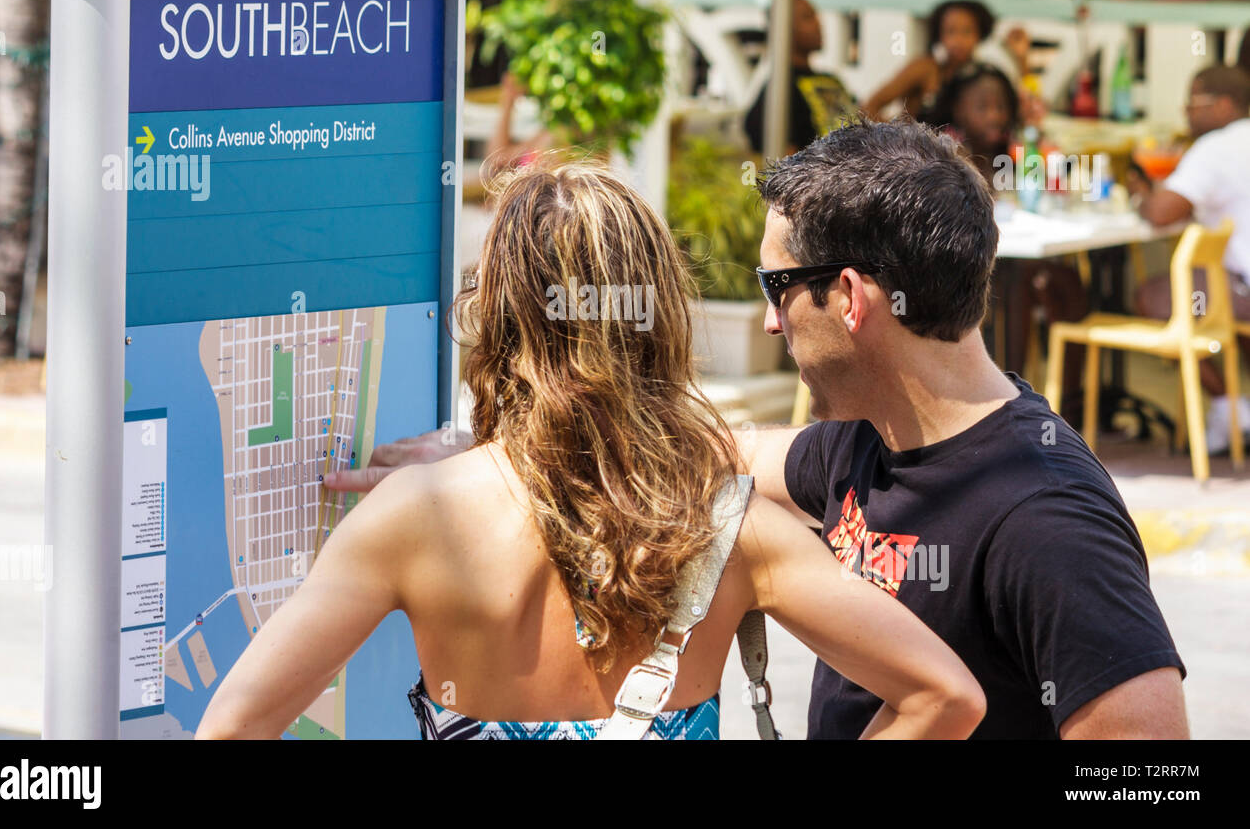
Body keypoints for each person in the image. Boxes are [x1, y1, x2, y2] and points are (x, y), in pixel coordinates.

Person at [333, 120, 1190, 740]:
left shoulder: (1043, 514)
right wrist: (498, 460)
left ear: (849, 299)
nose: (771, 324)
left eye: (776, 287)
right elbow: (692, 446)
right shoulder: (871, 444)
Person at [198, 158, 986, 740]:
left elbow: (231, 728)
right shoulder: (732, 527)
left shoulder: (414, 518)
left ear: (501, 314)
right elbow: (946, 695)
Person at [926, 63, 1090, 420]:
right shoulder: (950, 150)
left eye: (1001, 106)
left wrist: (1035, 133)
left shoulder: (1014, 148)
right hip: (956, 270)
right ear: (958, 110)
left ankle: (1070, 399)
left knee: (1064, 282)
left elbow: (1057, 172)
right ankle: (1010, 397)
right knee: (1019, 283)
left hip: (1011, 254)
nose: (995, 115)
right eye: (983, 107)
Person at [1129, 64, 1250, 453]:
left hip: (1241, 289)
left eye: (1194, 102)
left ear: (1225, 105)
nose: (1187, 113)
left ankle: (1229, 405)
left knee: (1150, 297)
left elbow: (1162, 212)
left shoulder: (1218, 147)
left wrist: (1138, 194)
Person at [861, 0, 1028, 122]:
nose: (958, 41)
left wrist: (1021, 58)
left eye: (967, 31)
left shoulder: (982, 76)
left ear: (979, 35)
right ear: (940, 36)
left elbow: (1016, 112)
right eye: (951, 32)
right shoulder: (924, 69)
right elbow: (869, 107)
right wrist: (898, 139)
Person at [744, 0, 857, 155]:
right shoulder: (780, 89)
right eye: (808, 17)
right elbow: (780, 158)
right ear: (784, 27)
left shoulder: (831, 80)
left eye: (817, 16)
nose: (819, 23)